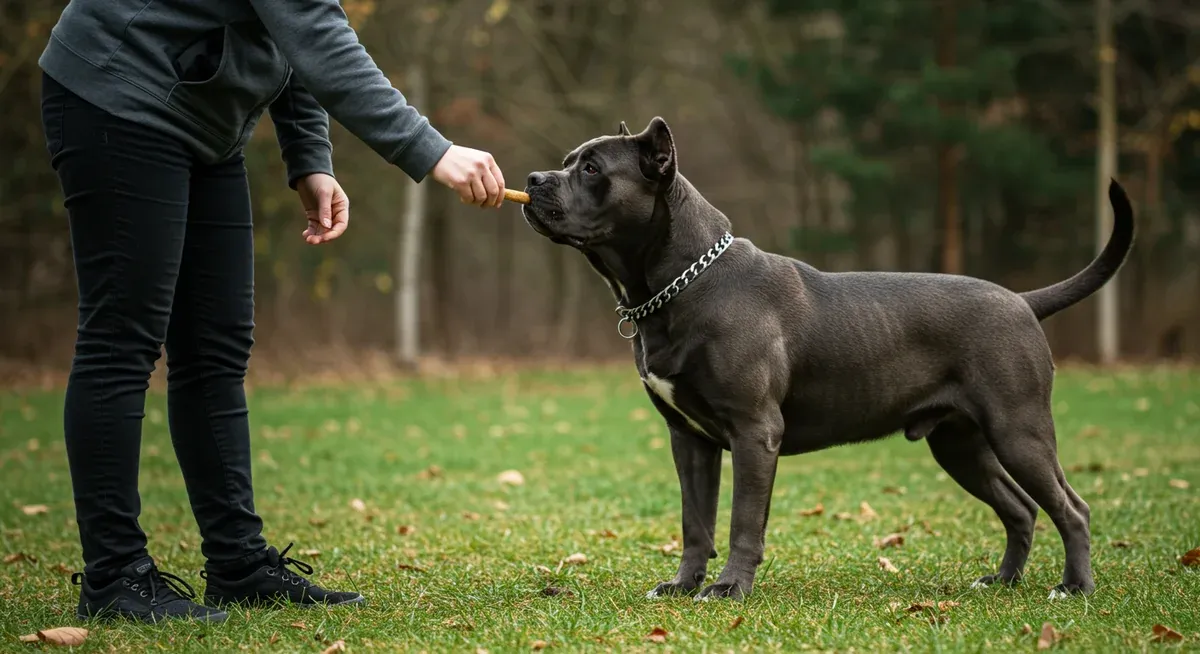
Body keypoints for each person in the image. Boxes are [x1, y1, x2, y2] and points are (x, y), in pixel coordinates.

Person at [37, 0, 508, 624]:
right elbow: (316, 32)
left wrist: (309, 156)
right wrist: (433, 151)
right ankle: (115, 576)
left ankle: (237, 564)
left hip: (203, 114)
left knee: (216, 347)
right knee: (122, 340)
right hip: (119, 90)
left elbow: (292, 32)